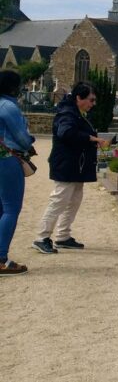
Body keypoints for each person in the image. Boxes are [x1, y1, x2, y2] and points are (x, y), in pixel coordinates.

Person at [34, 82, 107, 254]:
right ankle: (41, 237)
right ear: (78, 98)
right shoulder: (67, 114)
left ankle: (63, 236)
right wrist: (91, 139)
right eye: (91, 99)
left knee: (73, 201)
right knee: (59, 200)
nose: (93, 103)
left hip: (75, 165)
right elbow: (65, 133)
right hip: (66, 164)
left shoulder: (76, 113)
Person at [0, 70, 35, 276]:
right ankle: (1, 258)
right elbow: (22, 138)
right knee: (11, 209)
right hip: (7, 158)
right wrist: (30, 143)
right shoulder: (8, 106)